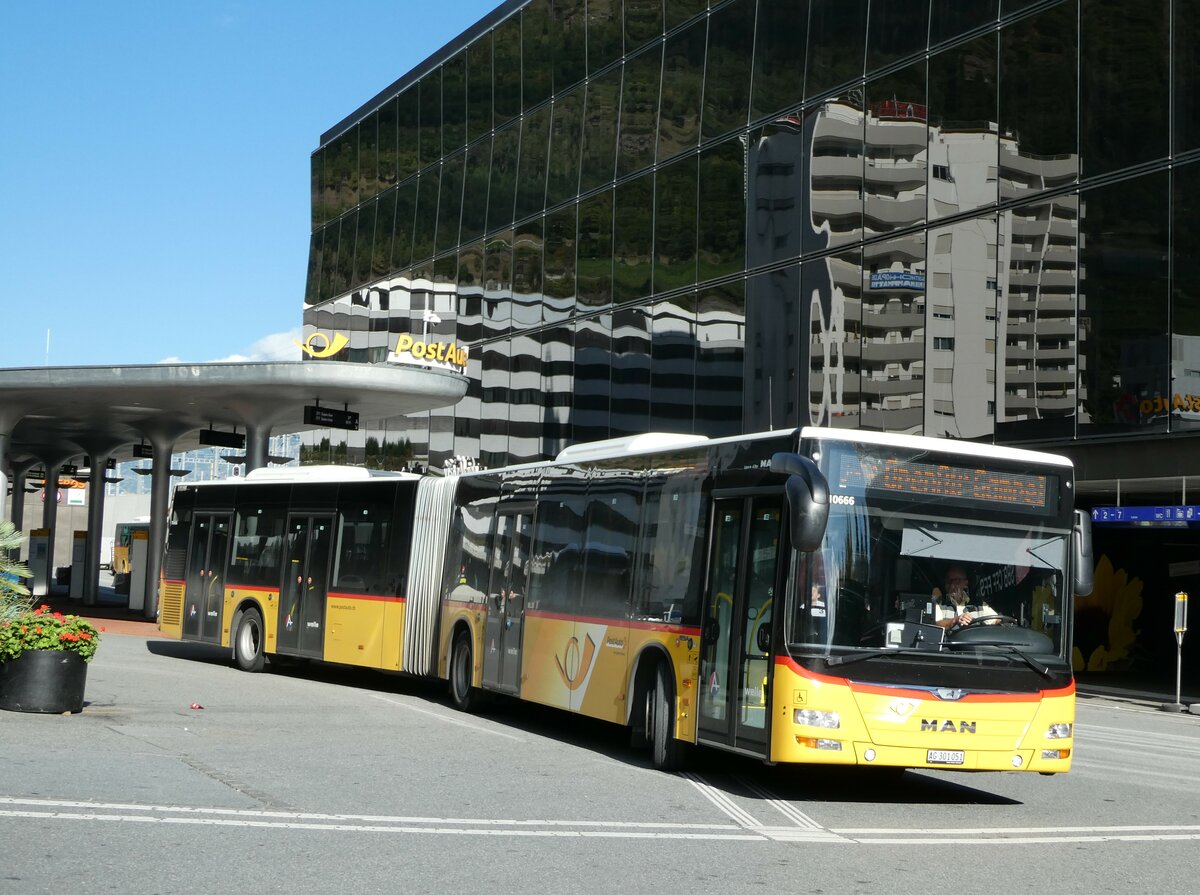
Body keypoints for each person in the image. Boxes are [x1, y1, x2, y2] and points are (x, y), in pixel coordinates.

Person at [931, 565, 997, 630]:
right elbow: (935, 624)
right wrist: (955, 621)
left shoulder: (979, 604)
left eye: (957, 581)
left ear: (965, 583)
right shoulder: (938, 603)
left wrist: (999, 622)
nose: (952, 585)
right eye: (949, 581)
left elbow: (995, 619)